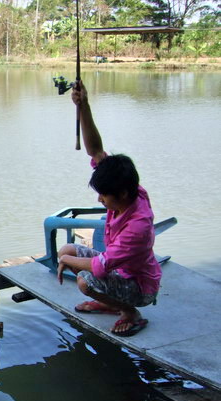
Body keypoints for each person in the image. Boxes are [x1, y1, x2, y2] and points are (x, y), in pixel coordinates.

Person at [57, 80, 161, 337]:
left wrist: (66, 262)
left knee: (85, 280)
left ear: (122, 194)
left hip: (140, 286)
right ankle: (109, 301)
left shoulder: (138, 225)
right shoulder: (131, 189)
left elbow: (101, 266)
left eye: (103, 196)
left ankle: (131, 313)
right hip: (120, 271)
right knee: (68, 248)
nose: (100, 200)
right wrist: (84, 106)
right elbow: (95, 150)